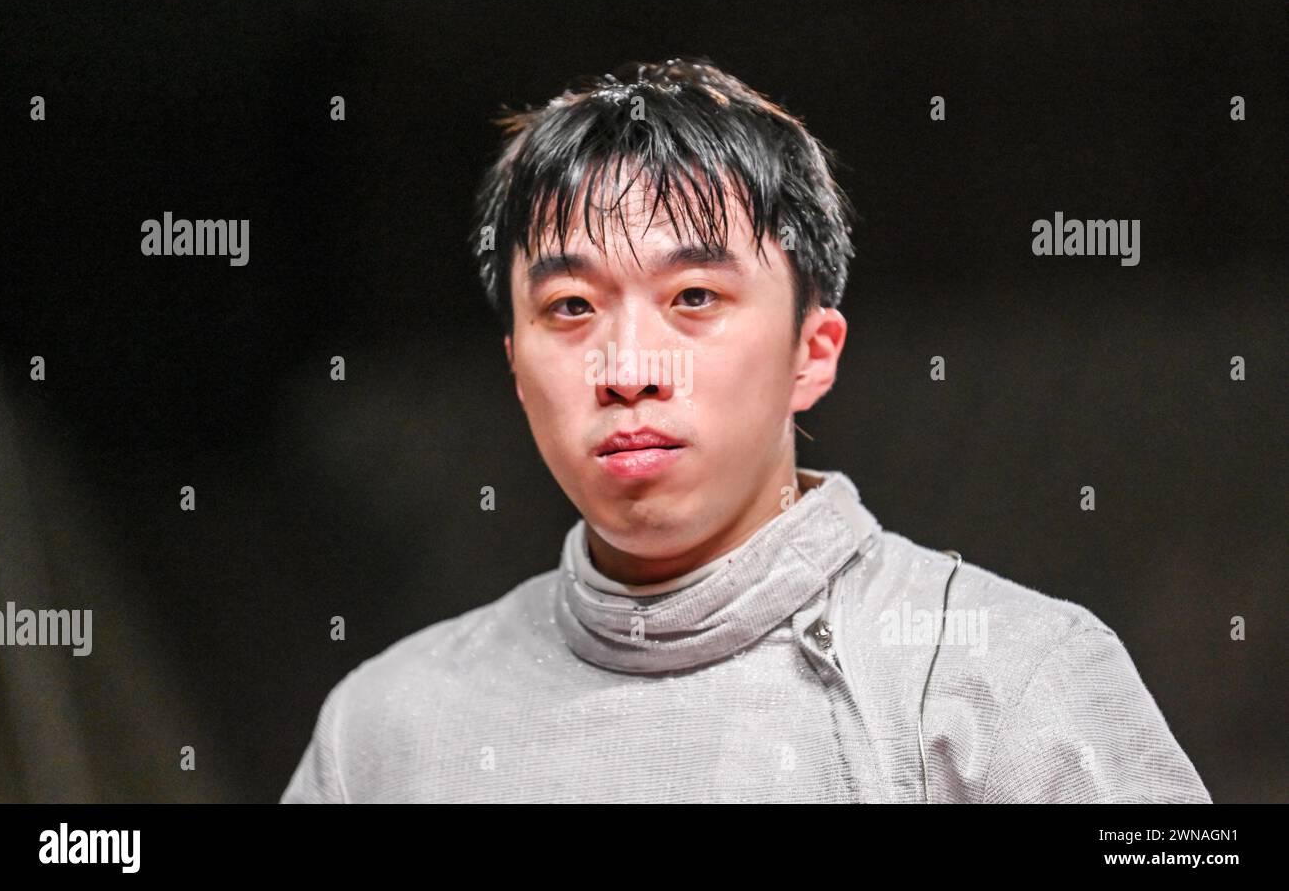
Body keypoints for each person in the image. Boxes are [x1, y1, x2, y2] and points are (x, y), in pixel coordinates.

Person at [281, 58, 1210, 802]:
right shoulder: (382, 731)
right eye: (570, 306)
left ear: (813, 353)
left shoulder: (1005, 680)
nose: (629, 367)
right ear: (517, 367)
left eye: (694, 297)